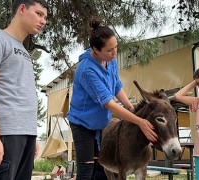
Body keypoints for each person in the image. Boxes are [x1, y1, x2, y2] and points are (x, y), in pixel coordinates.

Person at [67, 17, 158, 180]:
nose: (114, 53)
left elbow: (116, 86)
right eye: (109, 50)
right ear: (95, 49)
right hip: (82, 125)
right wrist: (139, 121)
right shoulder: (87, 70)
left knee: (101, 169)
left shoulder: (110, 60)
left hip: (100, 125)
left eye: (116, 47)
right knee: (86, 170)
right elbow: (109, 103)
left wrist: (132, 108)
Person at [0, 0, 48, 179]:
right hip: (5, 133)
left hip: (26, 134)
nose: (43, 21)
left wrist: (31, 133)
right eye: (39, 14)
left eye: (45, 17)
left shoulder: (24, 51)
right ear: (22, 9)